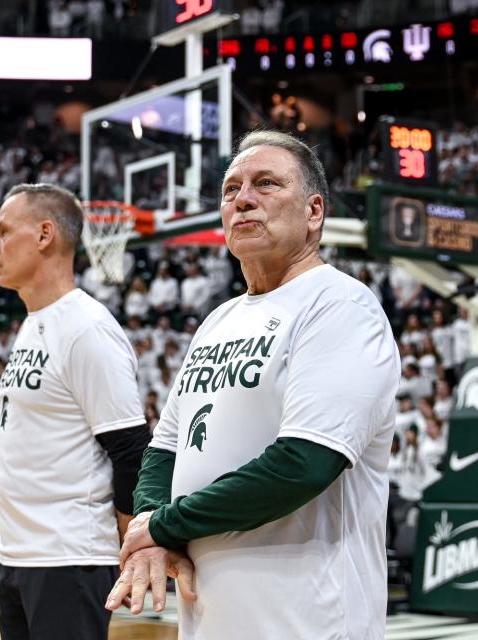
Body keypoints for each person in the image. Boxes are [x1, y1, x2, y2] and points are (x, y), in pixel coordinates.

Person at [107, 131, 400, 639]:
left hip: (308, 621)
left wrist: (163, 526)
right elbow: (165, 449)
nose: (243, 199)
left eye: (266, 184)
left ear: (314, 212)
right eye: (231, 189)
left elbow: (303, 464)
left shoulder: (340, 307)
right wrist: (151, 527)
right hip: (209, 620)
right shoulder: (218, 320)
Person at [0, 183, 152, 640]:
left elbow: (131, 448)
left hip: (69, 557)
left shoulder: (87, 328)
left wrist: (130, 546)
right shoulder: (34, 323)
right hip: (20, 554)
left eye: (3, 233)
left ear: (44, 235)